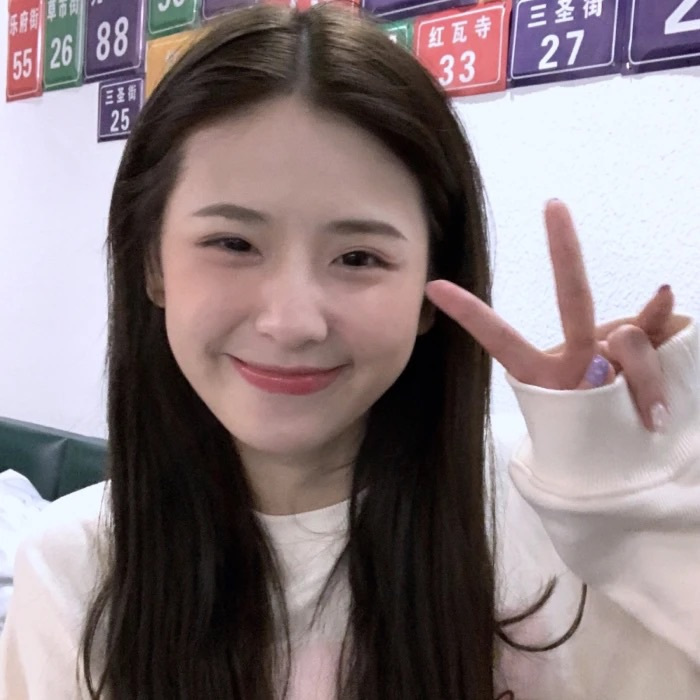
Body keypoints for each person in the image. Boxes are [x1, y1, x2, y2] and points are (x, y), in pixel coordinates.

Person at [0, 4, 698, 699]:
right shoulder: (71, 570)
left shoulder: (564, 521)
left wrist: (650, 503)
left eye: (359, 257)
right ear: (153, 265)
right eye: (233, 244)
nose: (291, 322)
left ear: (430, 292)